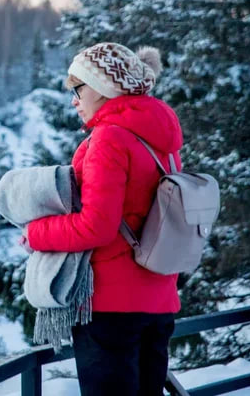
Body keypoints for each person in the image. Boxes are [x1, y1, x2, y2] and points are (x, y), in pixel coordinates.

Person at [22, 42, 182, 396]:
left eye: (78, 89)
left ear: (104, 87)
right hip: (159, 300)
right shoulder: (161, 135)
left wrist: (35, 233)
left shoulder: (109, 138)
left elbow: (96, 225)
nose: (74, 101)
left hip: (111, 306)